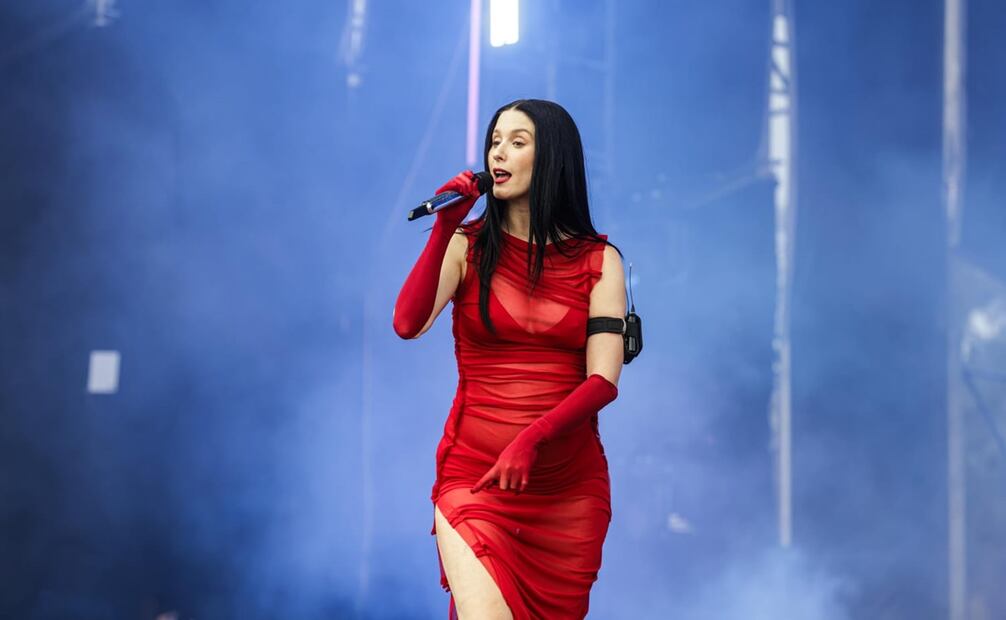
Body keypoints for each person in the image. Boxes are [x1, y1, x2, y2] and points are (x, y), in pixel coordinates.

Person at [393, 99, 625, 620]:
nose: (498, 152)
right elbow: (407, 323)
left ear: (553, 159)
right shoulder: (468, 245)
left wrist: (532, 438)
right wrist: (446, 226)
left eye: (517, 142)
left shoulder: (600, 260)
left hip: (567, 490)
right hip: (475, 477)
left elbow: (603, 381)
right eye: (494, 141)